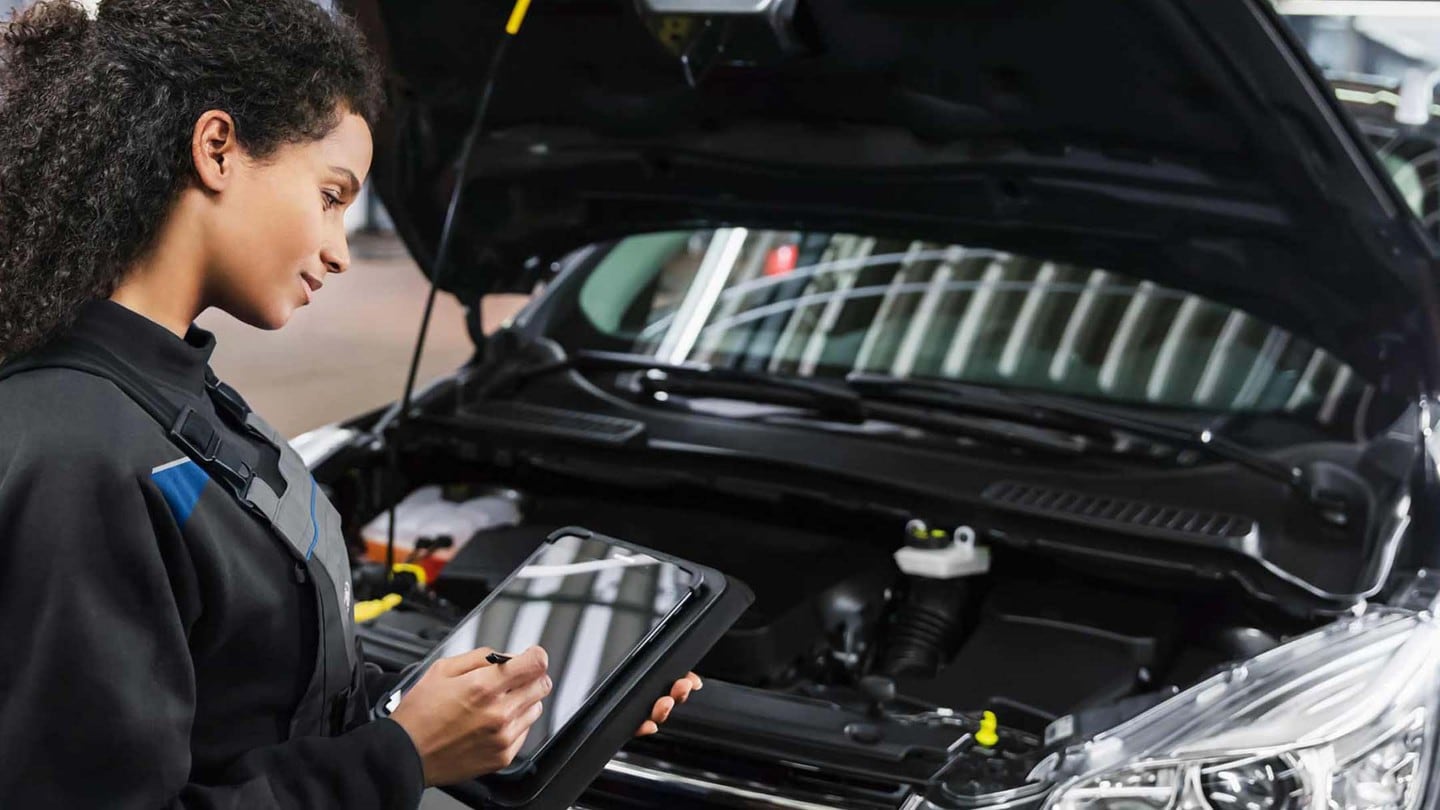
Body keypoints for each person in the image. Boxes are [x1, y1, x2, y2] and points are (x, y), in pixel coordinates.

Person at [0, 1, 700, 808]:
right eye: (331, 195)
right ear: (217, 148)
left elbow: (257, 708)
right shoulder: (78, 453)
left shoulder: (179, 400)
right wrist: (398, 757)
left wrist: (486, 707)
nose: (339, 249)